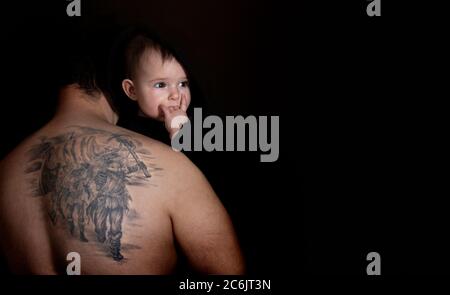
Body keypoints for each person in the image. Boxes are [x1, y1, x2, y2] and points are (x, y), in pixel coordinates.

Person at [0, 28, 244, 274]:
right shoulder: (170, 167)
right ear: (126, 87)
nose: (175, 95)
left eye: (182, 84)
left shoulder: (5, 170)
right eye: (159, 84)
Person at [116, 29, 192, 140]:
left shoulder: (191, 122)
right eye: (161, 85)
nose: (175, 95)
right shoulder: (129, 132)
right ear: (132, 90)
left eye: (182, 84)